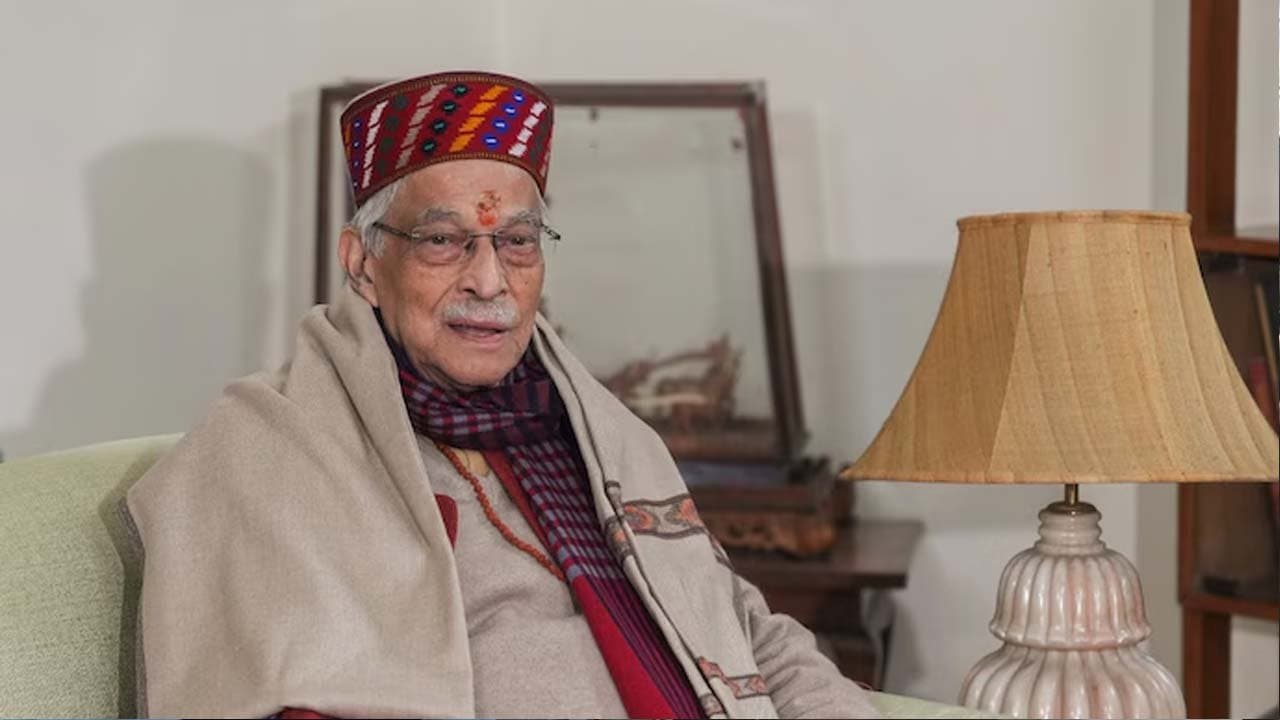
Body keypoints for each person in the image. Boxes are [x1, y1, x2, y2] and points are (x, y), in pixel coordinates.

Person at [125, 70, 879, 719]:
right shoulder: (271, 449)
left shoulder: (590, 429)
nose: (489, 282)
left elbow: (741, 627)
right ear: (362, 264)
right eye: (442, 240)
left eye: (517, 241)